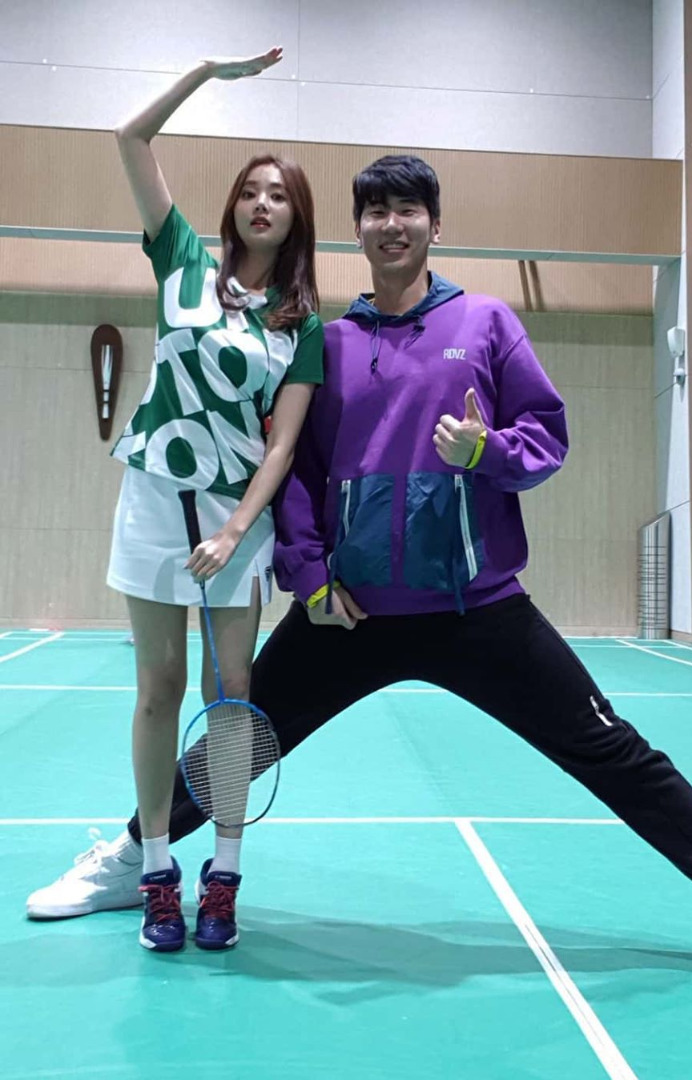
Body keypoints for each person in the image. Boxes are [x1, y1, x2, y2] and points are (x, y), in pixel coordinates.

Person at [28, 156, 692, 999]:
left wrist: (487, 450)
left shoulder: (486, 323)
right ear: (358, 229)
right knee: (238, 738)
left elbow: (546, 437)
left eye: (408, 210)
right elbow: (298, 472)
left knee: (609, 748)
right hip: (351, 612)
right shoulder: (329, 344)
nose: (392, 225)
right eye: (376, 211)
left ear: (434, 223)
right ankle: (132, 857)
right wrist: (310, 577)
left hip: (476, 609)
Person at [94, 47, 323, 952]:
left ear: (295, 218)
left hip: (237, 522)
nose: (262, 203)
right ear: (232, 206)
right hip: (155, 500)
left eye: (279, 195)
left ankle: (223, 876)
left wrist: (235, 530)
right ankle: (156, 873)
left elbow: (283, 444)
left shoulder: (300, 325)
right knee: (159, 687)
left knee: (232, 694)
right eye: (250, 191)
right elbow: (130, 136)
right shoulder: (183, 262)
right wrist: (204, 74)